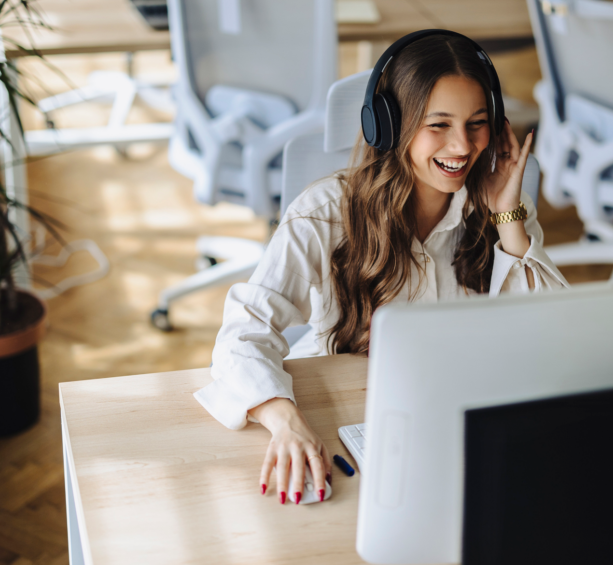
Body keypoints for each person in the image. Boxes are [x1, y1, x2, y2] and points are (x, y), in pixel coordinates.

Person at [194, 32, 568, 506]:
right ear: (389, 126)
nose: (463, 145)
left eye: (477, 123)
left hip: (459, 406)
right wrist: (285, 422)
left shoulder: (502, 206)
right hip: (355, 414)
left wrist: (507, 217)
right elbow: (240, 335)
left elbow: (548, 336)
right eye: (438, 124)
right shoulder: (326, 212)